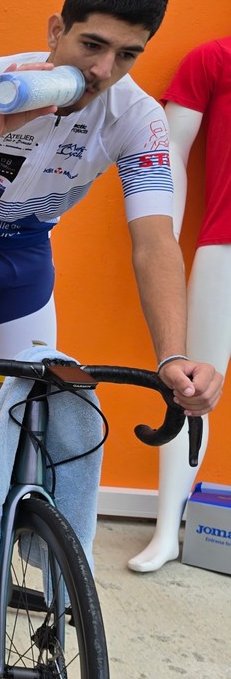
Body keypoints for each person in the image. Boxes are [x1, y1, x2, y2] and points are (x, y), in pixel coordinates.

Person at [0, 0, 224, 555]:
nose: (102, 70)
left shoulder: (137, 118)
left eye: (127, 56)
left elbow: (154, 243)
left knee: (45, 396)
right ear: (54, 32)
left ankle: (2, 524)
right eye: (91, 44)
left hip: (24, 249)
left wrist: (173, 355)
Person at [131, 36, 231, 571]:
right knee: (193, 384)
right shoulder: (216, 59)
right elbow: (167, 156)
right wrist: (162, 243)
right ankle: (168, 529)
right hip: (227, 248)